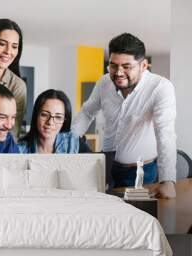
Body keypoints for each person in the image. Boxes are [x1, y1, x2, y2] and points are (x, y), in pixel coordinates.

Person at [71, 33, 176, 198]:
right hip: (105, 166)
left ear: (143, 65)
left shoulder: (160, 88)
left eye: (126, 66)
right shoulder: (104, 82)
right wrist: (68, 143)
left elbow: (165, 134)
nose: (118, 73)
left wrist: (168, 180)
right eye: (113, 66)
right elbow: (87, 112)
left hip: (142, 171)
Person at [18, 89, 79, 154]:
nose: (50, 122)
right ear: (36, 116)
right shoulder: (20, 149)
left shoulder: (73, 143)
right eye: (45, 115)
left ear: (64, 121)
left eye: (58, 117)